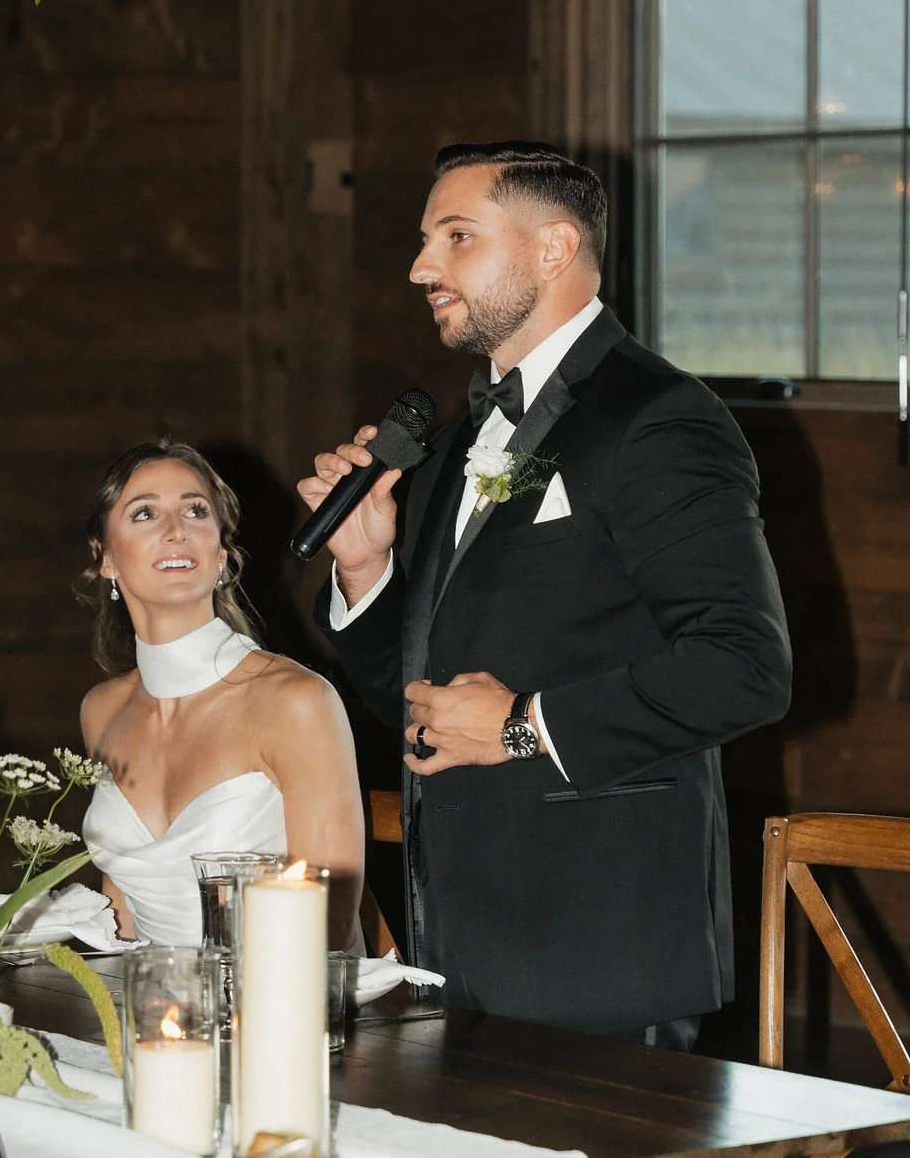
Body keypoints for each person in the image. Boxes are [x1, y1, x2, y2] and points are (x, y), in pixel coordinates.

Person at [298, 140, 792, 1045]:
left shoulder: (657, 418)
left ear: (554, 249)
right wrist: (366, 571)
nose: (420, 268)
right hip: (458, 950)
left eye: (456, 238)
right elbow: (424, 711)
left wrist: (526, 724)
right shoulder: (449, 446)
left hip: (601, 950)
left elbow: (745, 668)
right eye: (423, 241)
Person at [78, 439, 364, 949]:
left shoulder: (295, 700)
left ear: (222, 554)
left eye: (195, 510)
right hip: (147, 1009)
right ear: (106, 560)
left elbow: (332, 923)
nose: (176, 530)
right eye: (144, 513)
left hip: (280, 1005)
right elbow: (118, 907)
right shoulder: (101, 711)